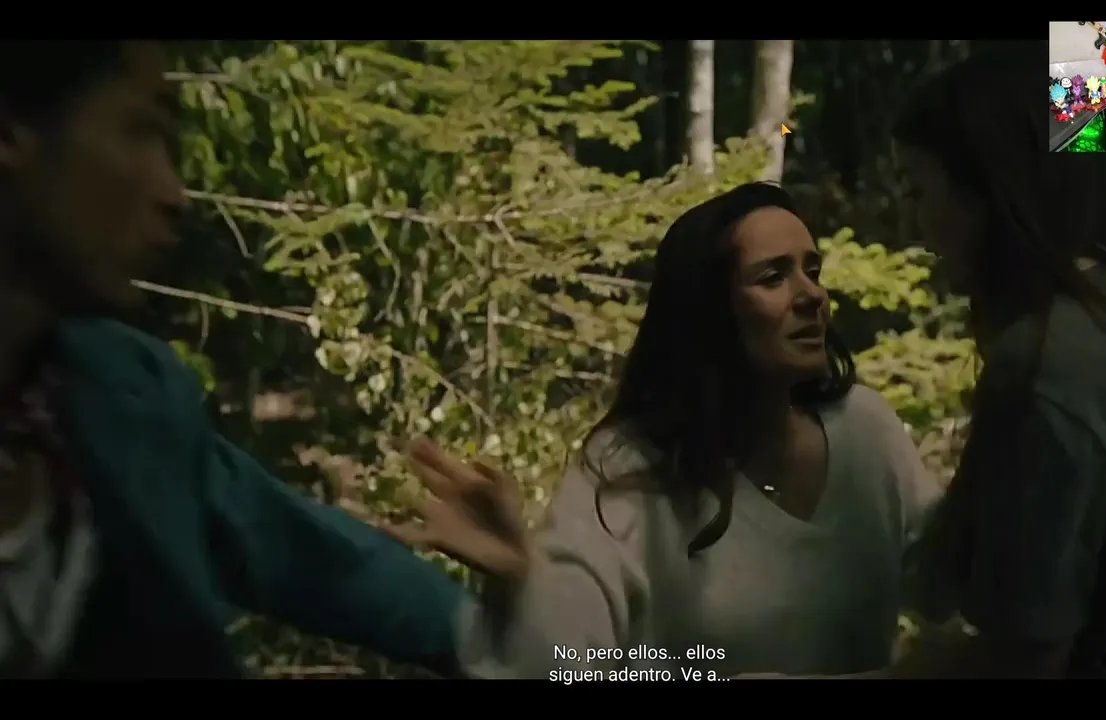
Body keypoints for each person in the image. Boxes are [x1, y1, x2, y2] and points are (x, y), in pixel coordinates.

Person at [779, 42, 1106, 679]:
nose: (916, 223)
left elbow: (1021, 657)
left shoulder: (1054, 366)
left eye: (920, 190)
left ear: (992, 192)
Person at [0, 41, 463, 677]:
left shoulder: (120, 396)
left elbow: (319, 560)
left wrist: (561, 649)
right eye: (139, 130)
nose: (175, 193)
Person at [391, 181, 941, 679]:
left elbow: (957, 590)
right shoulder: (633, 467)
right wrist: (522, 578)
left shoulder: (867, 431)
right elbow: (573, 664)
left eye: (812, 271)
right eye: (773, 277)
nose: (811, 295)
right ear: (710, 312)